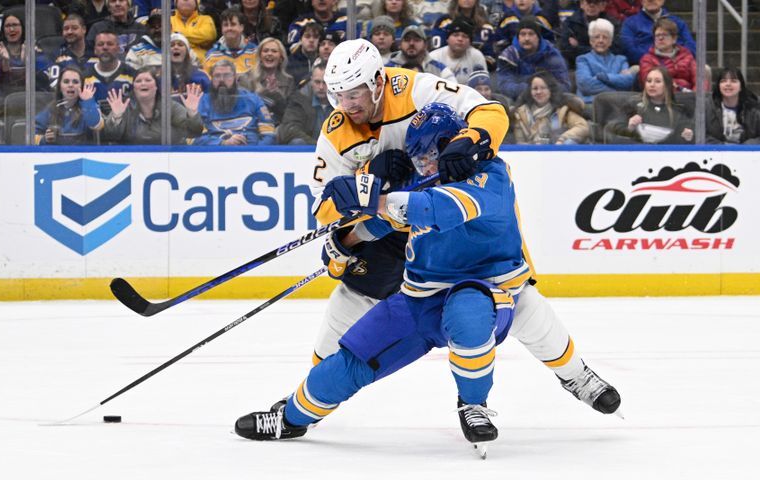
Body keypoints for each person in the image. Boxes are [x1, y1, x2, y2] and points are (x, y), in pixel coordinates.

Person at [236, 38, 622, 439]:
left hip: (481, 271)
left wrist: (461, 146)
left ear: (377, 83)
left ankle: (512, 393)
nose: (347, 104)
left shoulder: (462, 145)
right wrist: (346, 237)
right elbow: (333, 209)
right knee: (351, 340)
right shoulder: (350, 140)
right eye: (339, 95)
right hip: (418, 275)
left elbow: (447, 184)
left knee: (508, 308)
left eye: (355, 94)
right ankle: (294, 413)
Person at [235, 103, 524, 450]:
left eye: (431, 156)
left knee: (468, 314)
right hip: (419, 297)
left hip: (482, 289)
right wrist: (345, 241)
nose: (426, 167)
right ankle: (290, 419)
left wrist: (372, 199)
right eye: (419, 159)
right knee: (350, 361)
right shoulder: (424, 181)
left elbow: (437, 208)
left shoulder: (493, 176)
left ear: (453, 143)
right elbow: (383, 222)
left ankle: (474, 404)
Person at [103, 66, 203, 144]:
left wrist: (192, 113)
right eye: (138, 81)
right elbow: (111, 136)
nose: (143, 83)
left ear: (156, 86)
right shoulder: (123, 107)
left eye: (148, 80)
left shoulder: (171, 107)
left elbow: (194, 132)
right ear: (134, 88)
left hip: (172, 158)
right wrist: (117, 117)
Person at [194, 59, 275, 145]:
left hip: (251, 151)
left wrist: (256, 152)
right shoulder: (202, 102)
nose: (222, 80)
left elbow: (269, 133)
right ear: (211, 79)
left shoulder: (253, 99)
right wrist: (223, 143)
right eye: (217, 76)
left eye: (227, 75)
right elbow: (195, 137)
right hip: (217, 153)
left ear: (235, 78)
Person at [605, 65, 693, 144]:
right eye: (649, 81)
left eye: (657, 81)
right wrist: (629, 128)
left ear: (667, 85)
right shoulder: (633, 105)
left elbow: (688, 134)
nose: (652, 85)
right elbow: (611, 127)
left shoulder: (678, 109)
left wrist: (688, 136)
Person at [496, 16, 570, 100]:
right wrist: (531, 89)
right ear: (518, 37)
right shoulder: (508, 56)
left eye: (531, 34)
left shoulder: (551, 54)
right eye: (523, 34)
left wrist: (542, 89)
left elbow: (564, 86)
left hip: (549, 100)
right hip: (518, 100)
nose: (526, 38)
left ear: (538, 37)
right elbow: (504, 86)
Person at [513, 71, 590, 144]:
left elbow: (582, 127)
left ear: (551, 90)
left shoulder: (563, 110)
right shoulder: (521, 114)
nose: (539, 92)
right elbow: (520, 142)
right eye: (535, 89)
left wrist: (562, 139)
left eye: (543, 88)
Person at [35, 66, 103, 145]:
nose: (71, 85)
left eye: (75, 82)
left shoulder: (89, 105)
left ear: (82, 86)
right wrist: (44, 139)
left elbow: (96, 125)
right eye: (66, 81)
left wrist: (87, 102)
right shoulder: (50, 109)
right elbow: (31, 135)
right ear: (60, 86)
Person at [575, 18, 636, 104]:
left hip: (615, 105)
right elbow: (586, 85)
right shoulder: (583, 60)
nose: (601, 40)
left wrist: (604, 77)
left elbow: (628, 82)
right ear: (591, 41)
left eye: (605, 37)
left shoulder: (621, 60)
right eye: (597, 37)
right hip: (591, 104)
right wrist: (616, 88)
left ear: (610, 42)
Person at [238, 37, 295, 127]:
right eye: (265, 51)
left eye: (274, 51)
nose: (269, 54)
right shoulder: (246, 78)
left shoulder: (288, 81)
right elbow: (242, 108)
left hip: (279, 127)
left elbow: (290, 112)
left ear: (281, 58)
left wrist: (277, 96)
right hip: (253, 126)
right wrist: (263, 94)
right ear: (260, 56)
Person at [619, 0, 695, 65]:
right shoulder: (630, 23)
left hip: (677, 63)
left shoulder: (677, 22)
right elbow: (629, 51)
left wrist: (674, 60)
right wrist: (658, 60)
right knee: (634, 70)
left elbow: (691, 47)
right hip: (645, 65)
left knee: (704, 69)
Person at [277, 62, 333, 145]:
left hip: (334, 151)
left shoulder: (342, 103)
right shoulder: (299, 100)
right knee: (297, 142)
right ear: (311, 82)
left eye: (325, 83)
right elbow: (290, 129)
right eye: (317, 82)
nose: (321, 87)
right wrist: (316, 145)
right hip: (307, 150)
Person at [431, 0, 497, 68]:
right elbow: (437, 52)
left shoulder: (485, 26)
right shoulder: (444, 22)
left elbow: (491, 57)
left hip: (477, 70)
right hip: (446, 68)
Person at [84, 30, 136, 115]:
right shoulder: (85, 77)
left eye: (110, 44)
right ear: (95, 50)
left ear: (118, 48)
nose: (105, 48)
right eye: (100, 44)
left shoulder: (132, 74)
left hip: (125, 126)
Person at [638, 17, 697, 92]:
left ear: (674, 39)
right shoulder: (647, 59)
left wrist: (695, 95)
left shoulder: (686, 55)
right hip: (661, 97)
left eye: (665, 35)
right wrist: (679, 87)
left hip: (689, 96)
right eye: (657, 35)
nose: (660, 38)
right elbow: (649, 83)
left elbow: (699, 78)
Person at [705, 67, 760, 144]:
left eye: (733, 81)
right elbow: (700, 135)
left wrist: (745, 148)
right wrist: (722, 147)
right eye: (723, 81)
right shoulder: (707, 106)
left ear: (741, 87)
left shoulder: (754, 107)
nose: (728, 84)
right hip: (717, 153)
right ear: (719, 86)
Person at [559, 0, 620, 68]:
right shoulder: (569, 23)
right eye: (588, 2)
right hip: (576, 65)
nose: (591, 5)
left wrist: (578, 46)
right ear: (582, 4)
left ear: (603, 6)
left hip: (606, 65)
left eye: (596, 2)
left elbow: (616, 49)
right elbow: (566, 49)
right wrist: (600, 48)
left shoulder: (612, 24)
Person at [428, 16, 487, 84]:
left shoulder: (476, 56)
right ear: (447, 39)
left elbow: (483, 85)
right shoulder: (434, 57)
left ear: (470, 42)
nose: (460, 39)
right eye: (455, 35)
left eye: (465, 36)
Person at [386, 24, 456, 80]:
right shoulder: (388, 68)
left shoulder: (439, 69)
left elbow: (453, 91)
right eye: (407, 40)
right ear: (400, 44)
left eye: (416, 40)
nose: (411, 43)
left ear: (425, 45)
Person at [203, 8, 258, 76]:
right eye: (226, 25)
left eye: (233, 24)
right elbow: (209, 83)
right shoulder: (212, 55)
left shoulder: (255, 51)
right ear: (222, 29)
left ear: (241, 27)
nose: (229, 28)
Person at [171, 0, 217, 66]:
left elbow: (208, 36)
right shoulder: (168, 20)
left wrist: (177, 35)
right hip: (173, 64)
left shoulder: (205, 19)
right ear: (176, 2)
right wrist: (196, 42)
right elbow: (164, 37)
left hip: (201, 64)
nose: (186, 0)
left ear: (196, 3)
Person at [169, 32, 211, 100]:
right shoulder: (160, 78)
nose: (176, 47)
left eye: (180, 45)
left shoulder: (201, 75)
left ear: (187, 52)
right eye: (171, 45)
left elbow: (211, 101)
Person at [286, 21, 323, 85]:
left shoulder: (325, 62)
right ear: (300, 40)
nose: (311, 40)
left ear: (320, 41)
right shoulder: (289, 63)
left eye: (315, 37)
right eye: (307, 36)